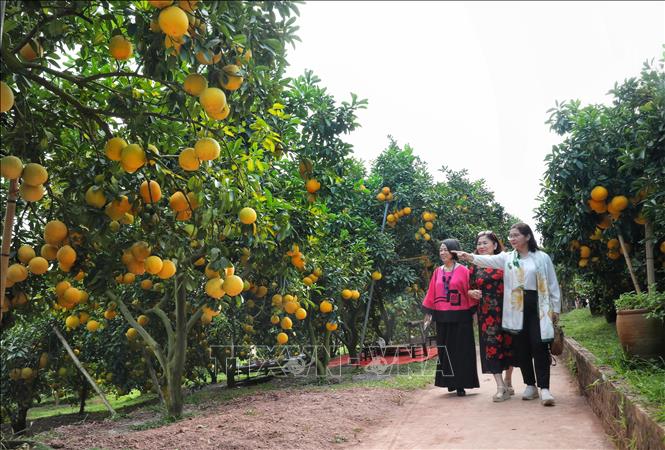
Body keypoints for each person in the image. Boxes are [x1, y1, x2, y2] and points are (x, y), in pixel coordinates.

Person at [453, 223, 561, 407]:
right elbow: (486, 261)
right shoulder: (508, 258)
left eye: (515, 235)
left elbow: (552, 283)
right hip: (515, 307)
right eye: (510, 236)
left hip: (538, 306)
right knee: (522, 346)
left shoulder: (542, 258)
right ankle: (530, 385)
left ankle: (545, 388)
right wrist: (469, 257)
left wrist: (555, 309)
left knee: (539, 345)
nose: (511, 239)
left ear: (527, 237)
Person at [422, 239, 480, 396]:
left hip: (461, 317)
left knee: (461, 351)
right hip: (442, 317)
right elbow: (431, 293)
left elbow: (470, 292)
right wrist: (428, 314)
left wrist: (475, 315)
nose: (442, 253)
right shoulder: (437, 271)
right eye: (440, 250)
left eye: (445, 250)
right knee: (445, 352)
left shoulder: (464, 270)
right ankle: (449, 383)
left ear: (453, 251)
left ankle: (461, 384)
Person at [468, 231, 516, 402]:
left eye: (485, 243)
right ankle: (500, 386)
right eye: (479, 243)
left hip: (508, 310)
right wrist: (471, 292)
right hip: (487, 313)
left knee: (510, 345)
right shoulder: (474, 265)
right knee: (492, 346)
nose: (481, 246)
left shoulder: (506, 260)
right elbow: (469, 287)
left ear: (495, 245)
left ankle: (509, 380)